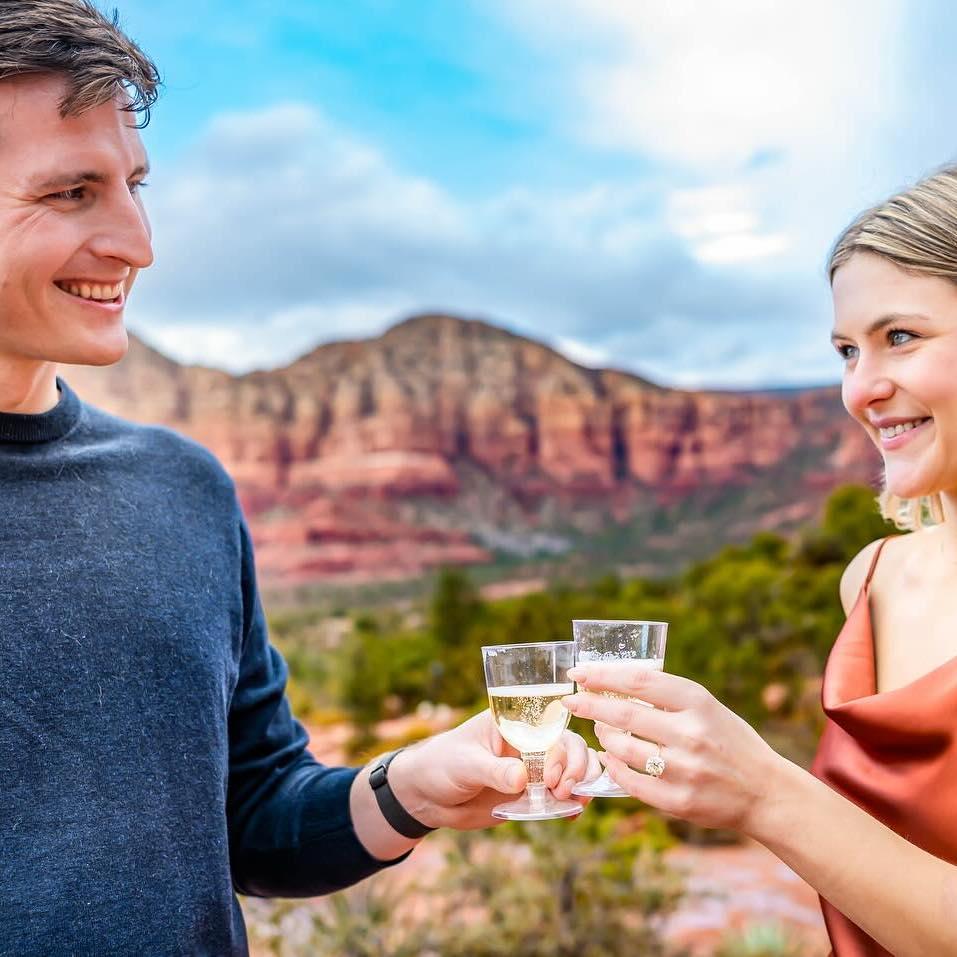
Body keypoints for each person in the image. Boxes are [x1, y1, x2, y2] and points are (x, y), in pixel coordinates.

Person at [0, 3, 599, 955]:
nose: (138, 241)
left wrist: (411, 785)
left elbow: (255, 817)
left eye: (133, 185)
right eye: (72, 192)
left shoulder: (181, 489)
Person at [563, 166, 957, 956]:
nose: (861, 387)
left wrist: (765, 793)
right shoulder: (872, 577)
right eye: (847, 349)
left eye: (899, 336)